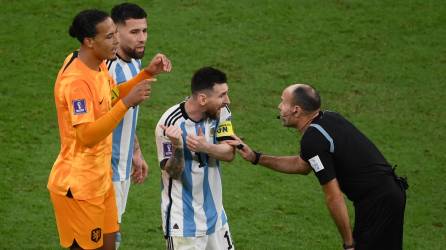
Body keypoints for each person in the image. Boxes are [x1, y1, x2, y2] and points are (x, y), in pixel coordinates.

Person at [227, 83, 407, 250]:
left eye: (283, 102)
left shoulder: (313, 139)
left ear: (296, 110)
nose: (279, 107)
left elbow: (333, 196)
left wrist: (348, 243)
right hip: (387, 196)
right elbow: (302, 165)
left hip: (379, 204)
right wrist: (255, 157)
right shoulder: (329, 118)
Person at [47, 9, 171, 250]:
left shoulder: (99, 65)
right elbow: (86, 136)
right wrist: (127, 103)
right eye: (110, 37)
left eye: (116, 34)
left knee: (110, 245)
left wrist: (146, 74)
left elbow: (110, 96)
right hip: (79, 187)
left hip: (101, 180)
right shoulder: (76, 82)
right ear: (89, 41)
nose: (117, 41)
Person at [155, 67, 236, 250]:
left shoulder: (221, 113)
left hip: (216, 217)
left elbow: (230, 153)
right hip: (184, 224)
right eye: (222, 95)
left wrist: (205, 147)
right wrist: (177, 147)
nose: (227, 100)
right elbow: (172, 172)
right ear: (202, 99)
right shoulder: (169, 123)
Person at [107, 3, 157, 248]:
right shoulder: (108, 70)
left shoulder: (135, 65)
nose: (142, 39)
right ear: (115, 32)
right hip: (105, 171)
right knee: (106, 240)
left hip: (122, 165)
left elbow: (126, 117)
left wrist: (135, 151)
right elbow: (98, 119)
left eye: (145, 31)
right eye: (134, 32)